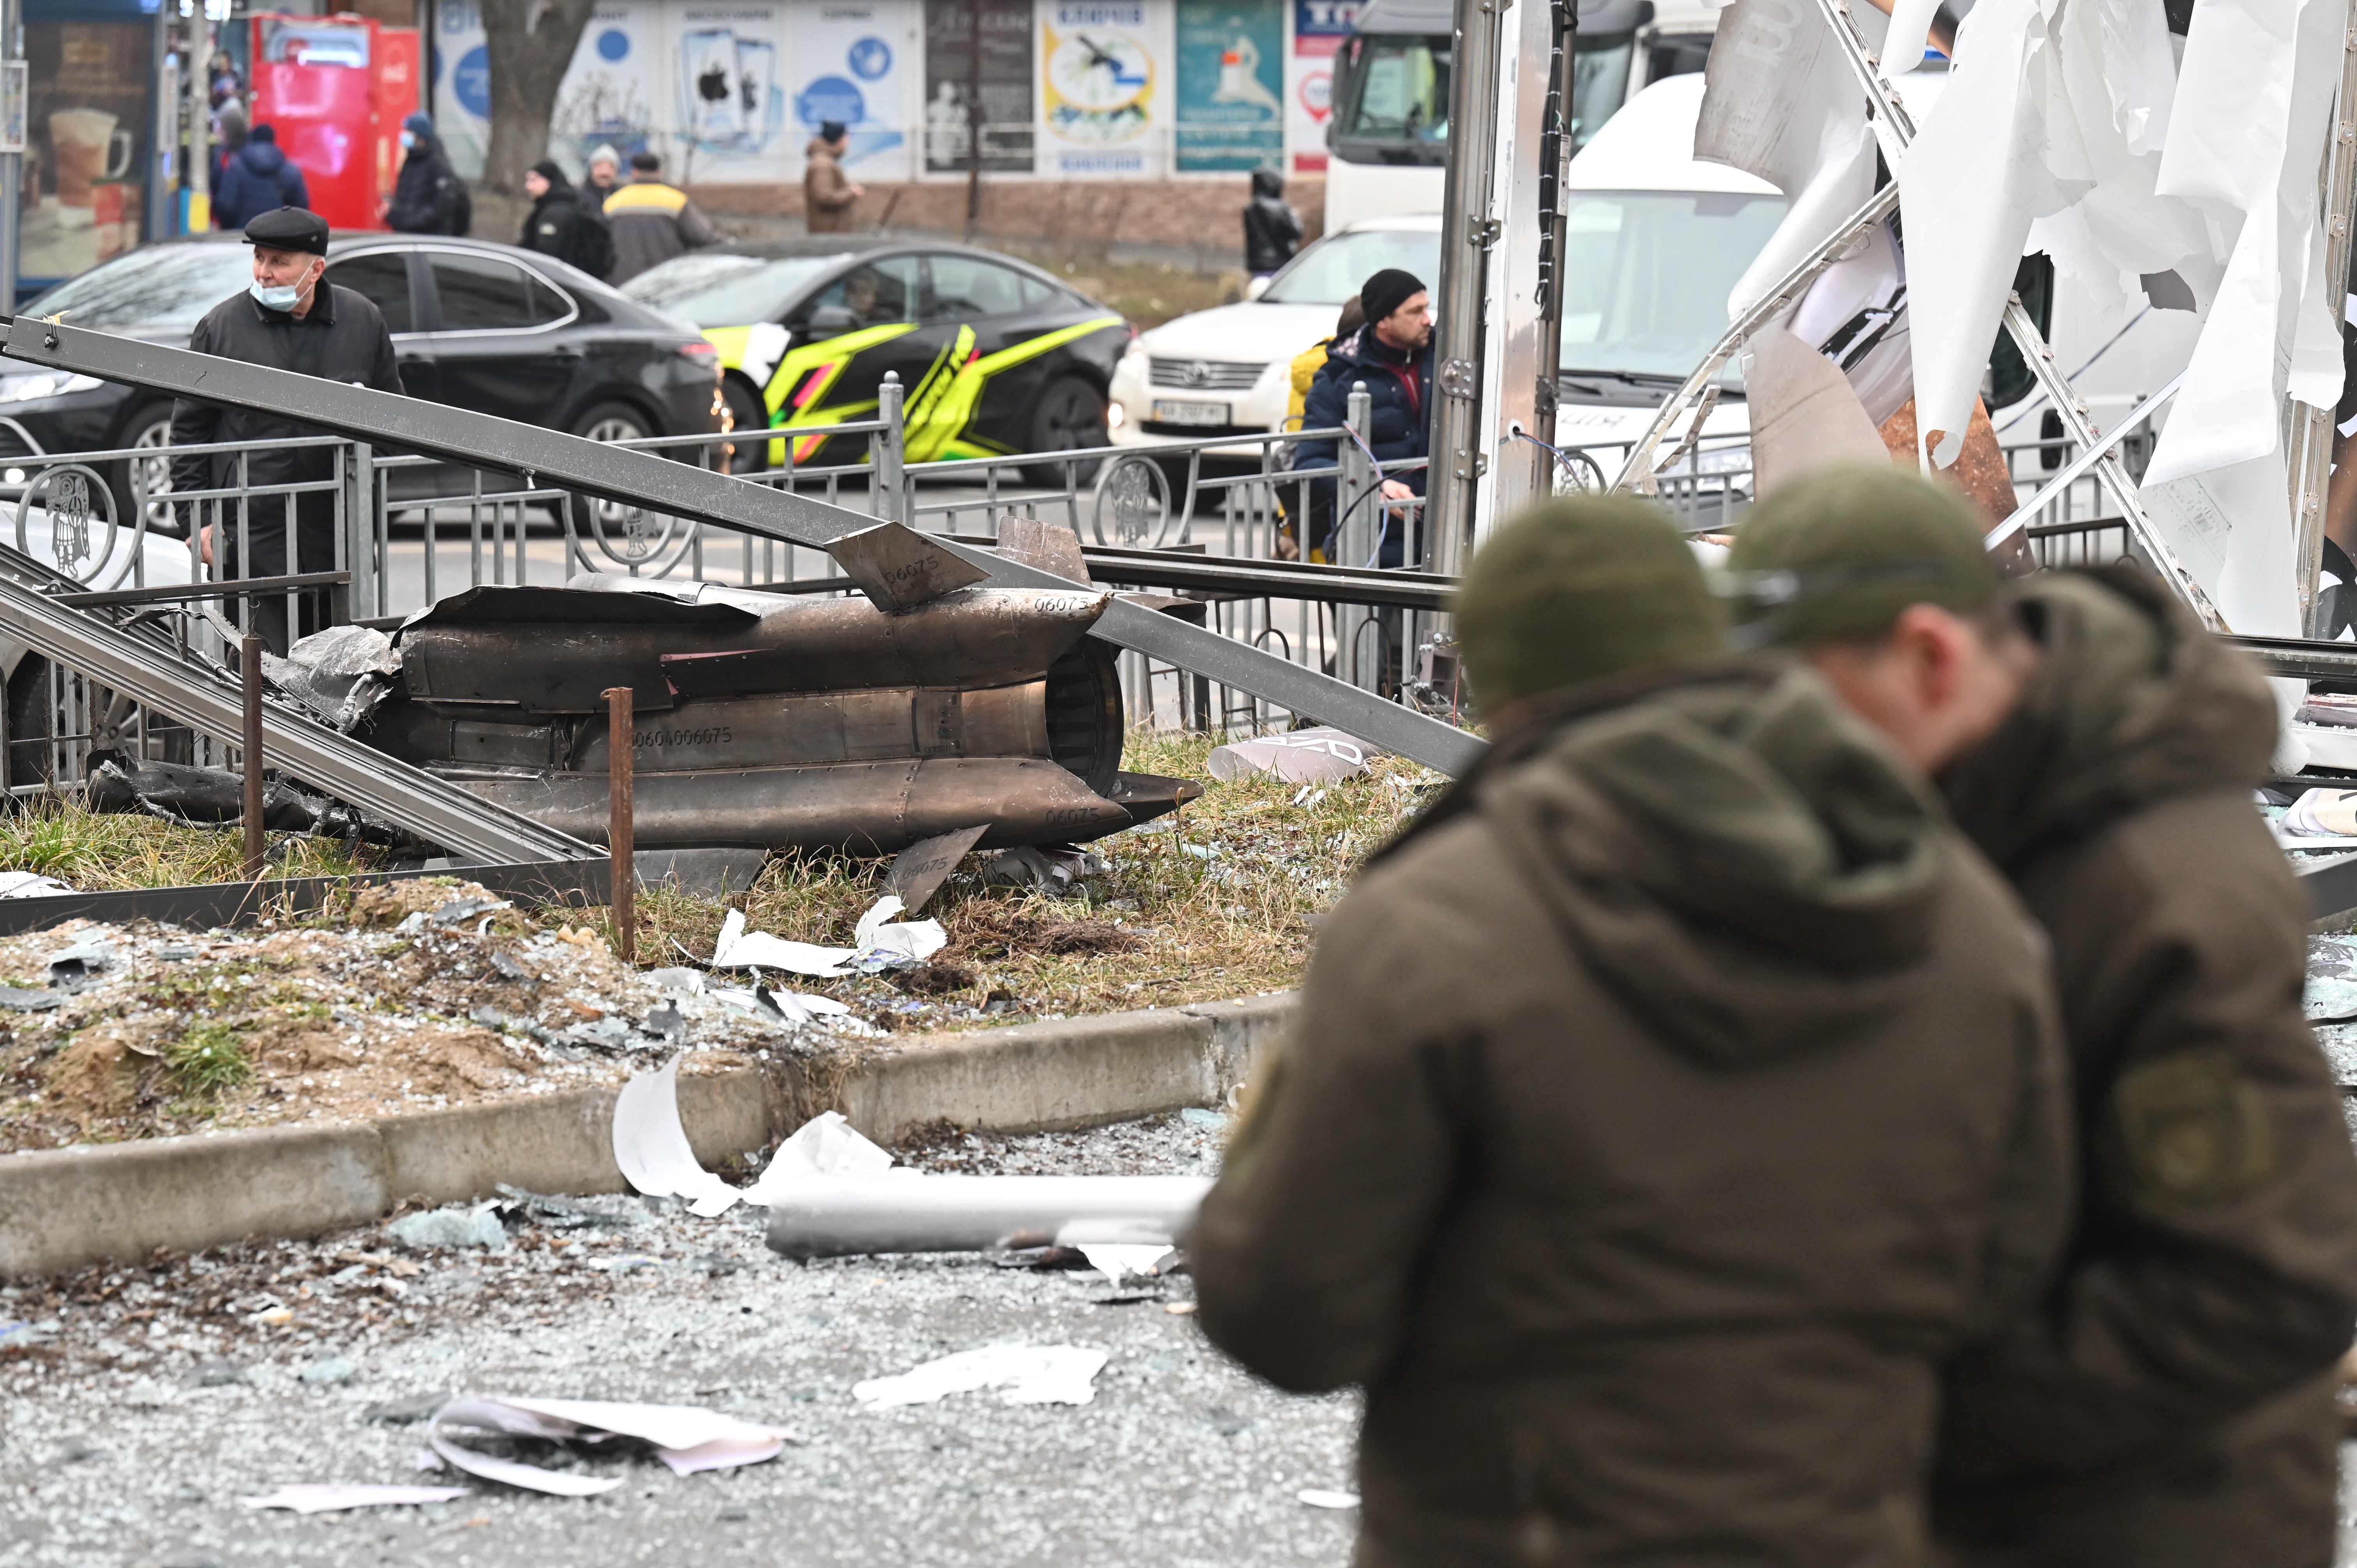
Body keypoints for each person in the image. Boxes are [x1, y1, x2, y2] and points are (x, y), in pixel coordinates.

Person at [1191, 494, 2074, 1568]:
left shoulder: (1432, 928)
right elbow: (2019, 1278)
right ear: (1707, 644)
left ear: (1500, 701)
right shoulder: (1965, 916)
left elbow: (1287, 1316)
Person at [1724, 464, 2357, 1568]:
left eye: (1817, 709)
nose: (1797, 754)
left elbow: (2260, 1284)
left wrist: (1906, 1404)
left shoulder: (2163, 898)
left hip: (2141, 1517)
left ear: (1932, 657)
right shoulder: (1980, 790)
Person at [170, 207, 405, 657]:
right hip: (250, 541)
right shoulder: (222, 327)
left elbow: (393, 427)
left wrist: (370, 505)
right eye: (259, 259)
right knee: (261, 680)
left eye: (280, 262)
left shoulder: (363, 321)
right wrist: (194, 520)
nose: (265, 272)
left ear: (316, 268)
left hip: (334, 541)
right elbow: (189, 434)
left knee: (337, 673)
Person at [1295, 267, 1431, 566]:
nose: (1427, 319)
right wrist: (1374, 484)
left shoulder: (1446, 359)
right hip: (1374, 550)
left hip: (1444, 545)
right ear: (1383, 321)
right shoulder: (1337, 379)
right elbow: (1310, 463)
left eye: (1427, 308)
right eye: (1415, 311)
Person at [1276, 295, 1362, 561]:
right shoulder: (1342, 375)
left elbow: (1294, 449)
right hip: (1333, 503)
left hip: (1305, 502)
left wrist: (1287, 522)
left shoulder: (1310, 365)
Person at [604, 151, 720, 285]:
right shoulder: (675, 201)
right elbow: (703, 236)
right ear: (658, 172)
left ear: (634, 172)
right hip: (666, 282)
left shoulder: (613, 203)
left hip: (625, 284)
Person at [518, 159, 613, 280]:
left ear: (549, 182)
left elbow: (545, 258)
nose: (529, 186)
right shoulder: (571, 206)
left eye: (534, 180)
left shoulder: (554, 215)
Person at [212, 122, 309, 232]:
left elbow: (226, 206)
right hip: (280, 238)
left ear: (252, 140)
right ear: (273, 140)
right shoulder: (291, 170)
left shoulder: (236, 168)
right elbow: (302, 207)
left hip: (243, 236)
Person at [386, 113, 469, 237]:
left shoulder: (437, 165)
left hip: (431, 239)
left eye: (409, 132)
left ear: (421, 138)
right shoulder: (411, 161)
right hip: (408, 235)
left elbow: (444, 204)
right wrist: (394, 215)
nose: (405, 136)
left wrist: (414, 222)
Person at [804, 120, 864, 235]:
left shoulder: (826, 162)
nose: (848, 142)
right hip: (829, 232)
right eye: (846, 137)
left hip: (832, 231)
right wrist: (851, 192)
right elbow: (825, 197)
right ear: (839, 140)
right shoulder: (823, 165)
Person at [1243, 165, 1302, 277]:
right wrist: (1295, 217)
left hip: (1257, 264)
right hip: (1279, 262)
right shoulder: (1280, 208)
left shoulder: (1250, 209)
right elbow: (1295, 233)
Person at [582, 144, 623, 213]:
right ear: (591, 170)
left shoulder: (622, 199)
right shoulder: (580, 200)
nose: (604, 172)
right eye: (599, 166)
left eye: (611, 167)